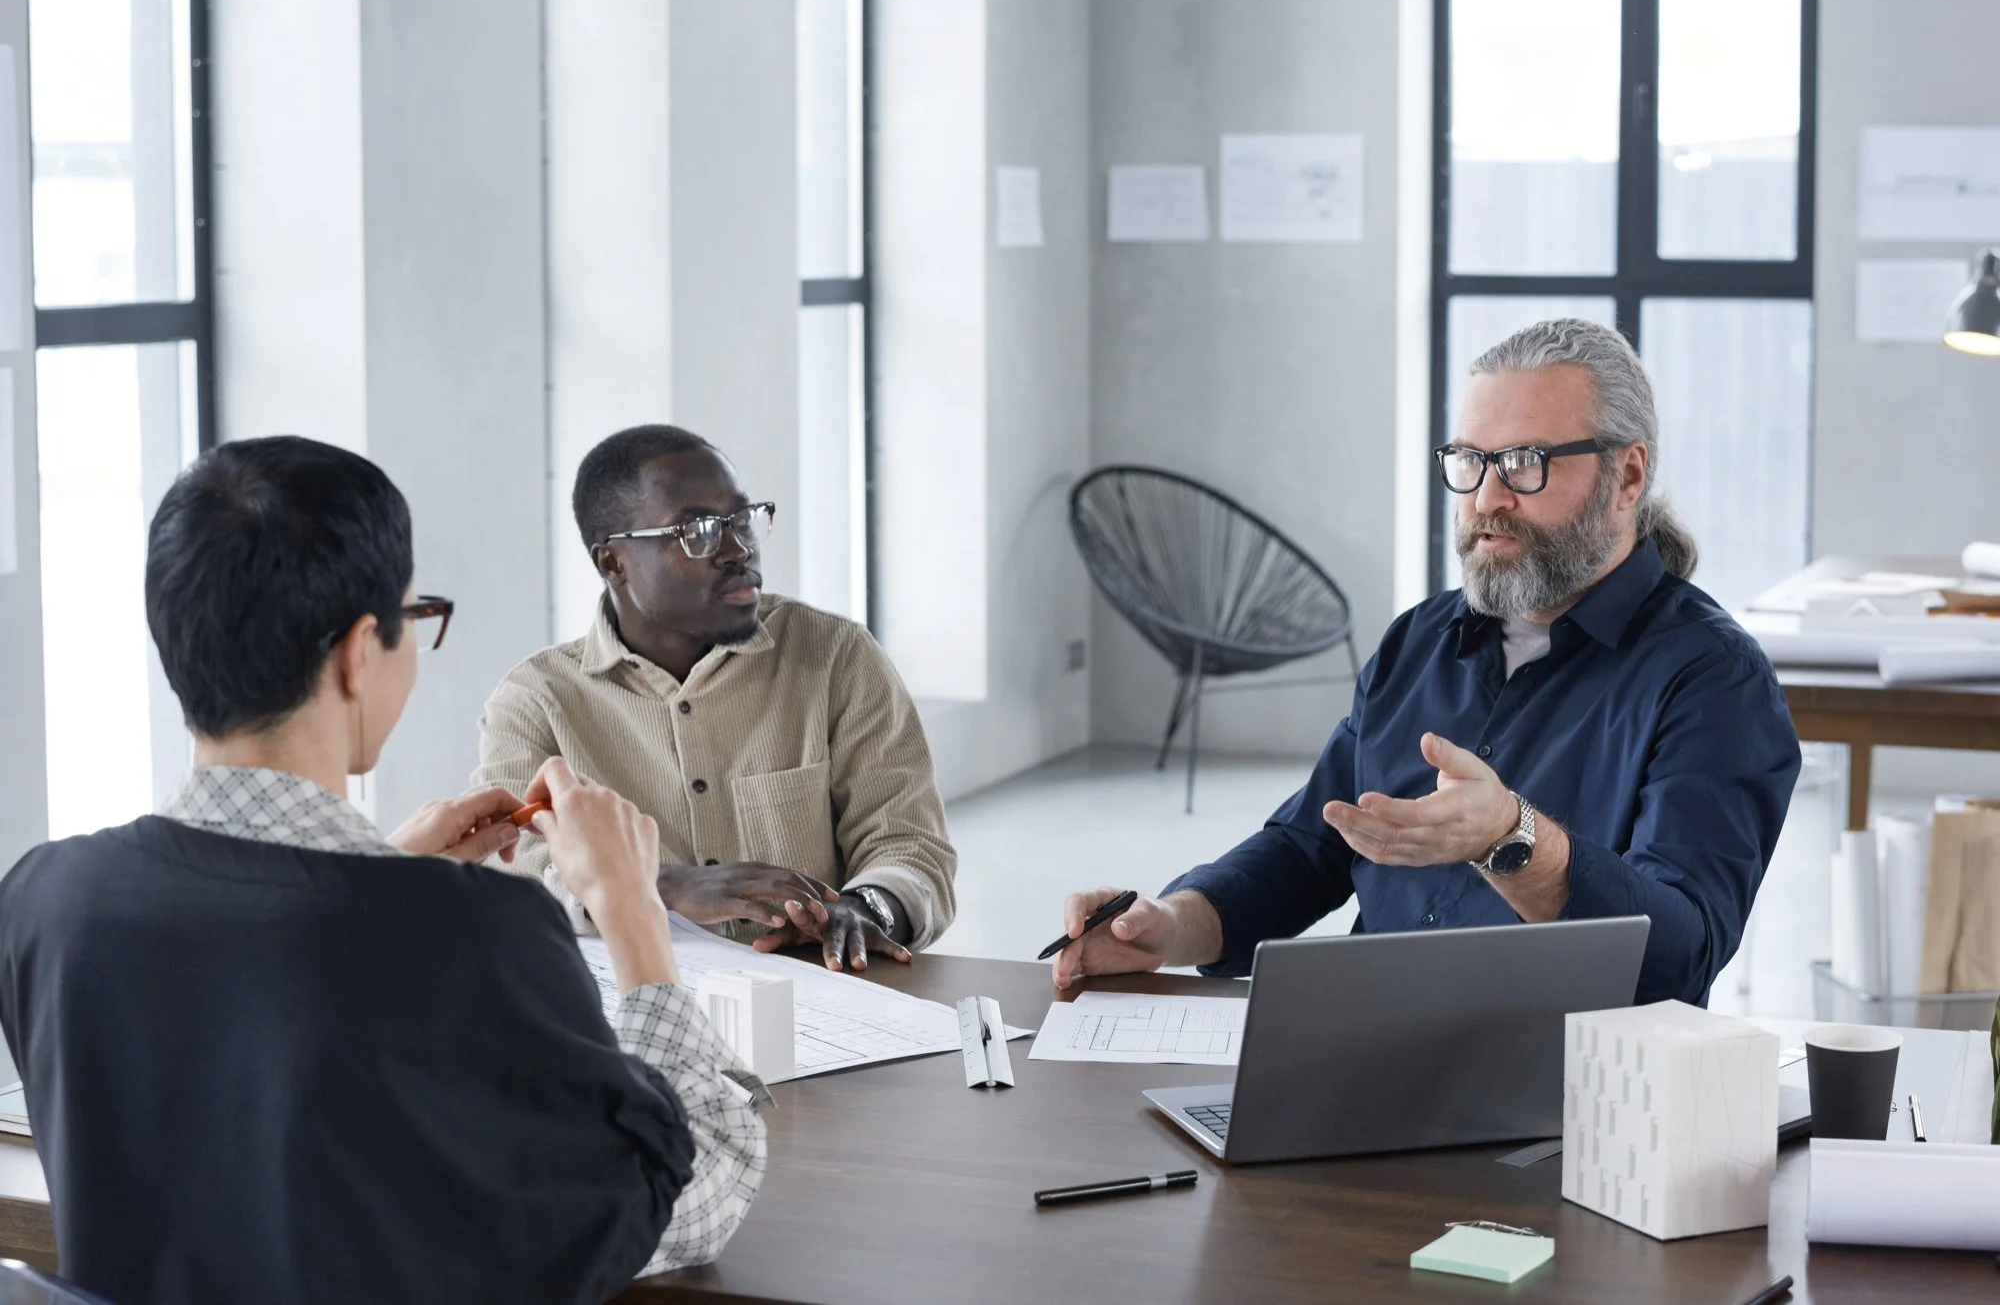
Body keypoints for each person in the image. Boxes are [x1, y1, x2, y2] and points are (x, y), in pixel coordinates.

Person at [0, 437, 764, 1305]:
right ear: (360, 652)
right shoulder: (478, 931)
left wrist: (383, 870)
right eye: (415, 618)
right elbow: (690, 1195)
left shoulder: (43, 899)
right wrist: (633, 915)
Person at [1053, 318, 1801, 1007]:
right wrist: (1168, 926)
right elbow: (1312, 845)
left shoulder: (1713, 679)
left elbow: (1682, 952)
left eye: (1525, 463)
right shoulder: (1421, 640)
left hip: (1565, 1088)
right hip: (1367, 1054)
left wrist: (1515, 838)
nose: (1487, 498)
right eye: (1472, 461)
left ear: (1628, 477)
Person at [474, 425, 956, 973]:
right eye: (698, 530)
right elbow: (508, 880)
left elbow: (909, 843)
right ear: (612, 563)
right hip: (630, 1013)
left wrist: (868, 906)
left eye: (743, 519)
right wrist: (651, 885)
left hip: (820, 1003)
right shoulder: (535, 701)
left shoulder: (836, 656)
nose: (739, 548)